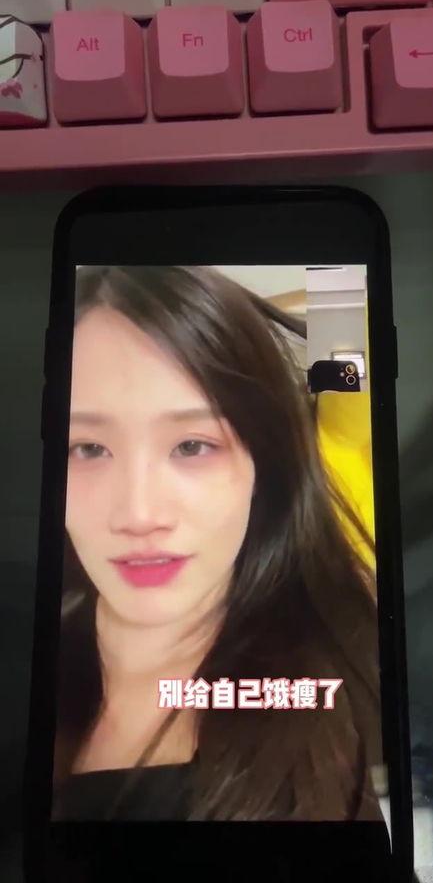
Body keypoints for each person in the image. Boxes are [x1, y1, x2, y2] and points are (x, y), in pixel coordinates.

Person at [51, 265, 384, 823]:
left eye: (191, 446)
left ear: (266, 458)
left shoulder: (336, 431)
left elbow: (349, 332)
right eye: (87, 448)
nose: (139, 516)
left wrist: (321, 279)